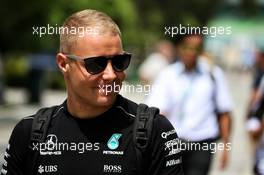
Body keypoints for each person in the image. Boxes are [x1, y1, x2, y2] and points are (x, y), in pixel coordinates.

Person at [0, 9, 183, 175]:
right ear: (64, 64)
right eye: (96, 64)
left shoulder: (154, 131)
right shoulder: (31, 133)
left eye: (120, 62)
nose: (111, 75)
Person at [146, 33, 233, 175]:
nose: (191, 52)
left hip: (202, 144)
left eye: (196, 48)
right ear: (179, 48)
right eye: (187, 47)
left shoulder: (213, 75)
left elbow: (225, 112)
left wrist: (226, 148)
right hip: (173, 143)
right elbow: (156, 110)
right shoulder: (168, 75)